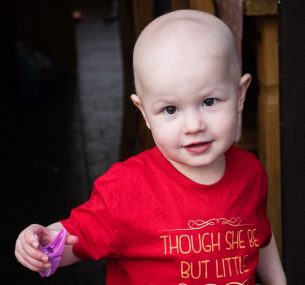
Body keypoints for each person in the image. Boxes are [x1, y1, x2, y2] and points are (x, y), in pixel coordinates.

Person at [15, 10, 286, 285]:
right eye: (170, 109)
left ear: (239, 95)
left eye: (209, 102)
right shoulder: (126, 189)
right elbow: (74, 240)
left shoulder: (250, 172)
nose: (193, 125)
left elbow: (260, 237)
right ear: (143, 112)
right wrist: (41, 244)